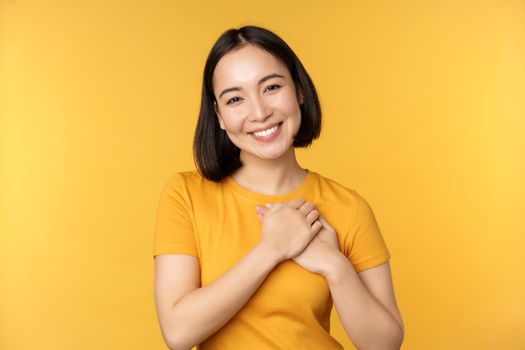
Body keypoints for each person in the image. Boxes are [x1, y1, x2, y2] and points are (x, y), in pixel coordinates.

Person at [153, 25, 404, 350]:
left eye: (271, 87)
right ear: (219, 115)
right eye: (235, 98)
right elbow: (178, 332)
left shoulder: (348, 207)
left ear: (298, 90)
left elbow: (384, 344)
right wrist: (272, 248)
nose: (259, 112)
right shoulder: (185, 194)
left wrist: (333, 265)